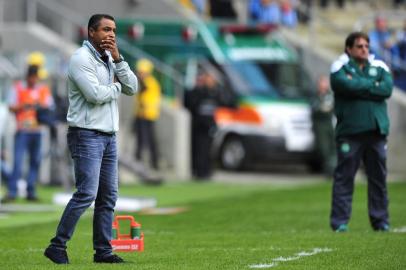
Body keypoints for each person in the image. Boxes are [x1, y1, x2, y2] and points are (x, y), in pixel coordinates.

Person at [44, 14, 138, 264]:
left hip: (108, 136)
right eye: (106, 29)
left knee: (108, 196)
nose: (111, 34)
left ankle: (103, 252)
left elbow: (133, 87)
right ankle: (57, 245)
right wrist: (116, 87)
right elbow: (96, 94)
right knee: (86, 193)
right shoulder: (80, 59)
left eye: (114, 30)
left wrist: (118, 59)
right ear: (91, 32)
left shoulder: (109, 58)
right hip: (86, 134)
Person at [329, 32, 393, 232]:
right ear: (349, 49)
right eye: (359, 46)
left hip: (376, 131)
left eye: (366, 46)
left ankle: (380, 220)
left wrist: (359, 86)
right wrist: (372, 86)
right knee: (345, 177)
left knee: (378, 178)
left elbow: (387, 89)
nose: (364, 49)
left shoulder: (380, 66)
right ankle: (340, 222)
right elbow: (343, 84)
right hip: (350, 132)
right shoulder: (340, 66)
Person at [2, 65, 54, 203]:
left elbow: (50, 106)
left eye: (35, 77)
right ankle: (12, 191)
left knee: (35, 162)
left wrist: (40, 107)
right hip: (22, 130)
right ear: (28, 76)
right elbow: (10, 106)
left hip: (37, 131)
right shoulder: (18, 88)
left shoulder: (42, 89)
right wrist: (23, 106)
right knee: (18, 162)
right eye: (31, 76)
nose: (33, 79)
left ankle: (31, 191)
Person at [185, 70, 234, 179]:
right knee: (198, 150)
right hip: (198, 126)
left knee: (207, 150)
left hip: (209, 127)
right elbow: (190, 103)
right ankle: (198, 172)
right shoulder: (198, 92)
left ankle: (206, 171)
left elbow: (228, 102)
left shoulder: (216, 93)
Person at [133, 58, 161, 172]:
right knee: (143, 140)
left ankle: (148, 163)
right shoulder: (149, 82)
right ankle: (148, 162)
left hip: (147, 115)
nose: (140, 74)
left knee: (146, 140)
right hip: (143, 114)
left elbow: (148, 99)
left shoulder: (150, 83)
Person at [311, 75, 335, 177]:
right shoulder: (315, 96)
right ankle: (328, 170)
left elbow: (331, 108)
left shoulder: (330, 95)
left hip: (329, 123)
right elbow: (315, 109)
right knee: (323, 148)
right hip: (320, 125)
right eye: (322, 83)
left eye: (325, 83)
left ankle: (333, 170)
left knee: (332, 147)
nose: (323, 85)